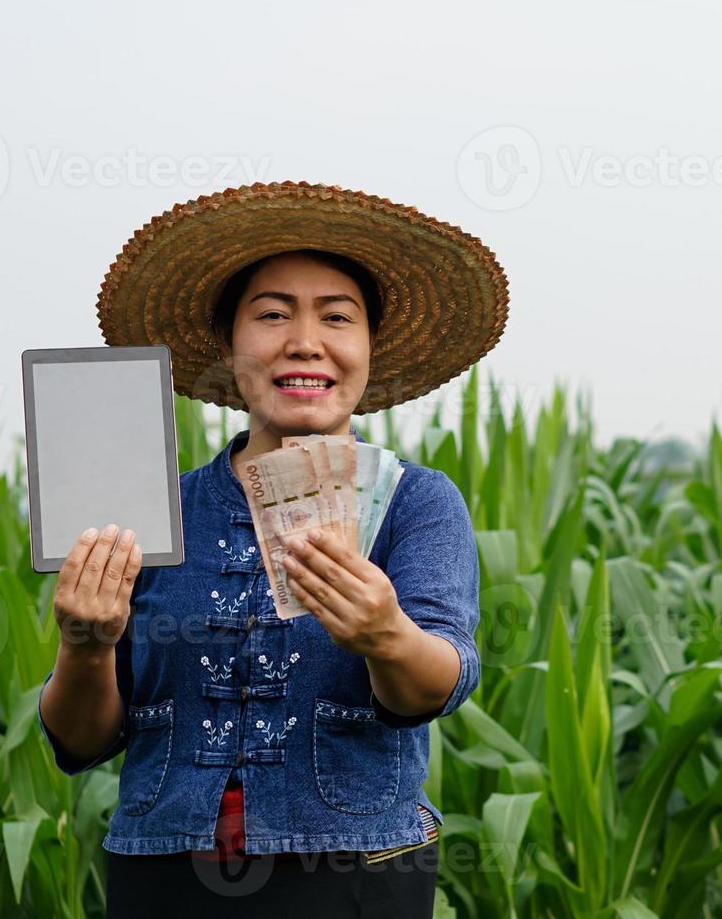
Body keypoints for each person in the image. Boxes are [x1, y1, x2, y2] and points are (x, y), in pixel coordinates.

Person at [35, 181, 510, 916]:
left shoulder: (417, 501)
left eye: (337, 318)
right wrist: (85, 647)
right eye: (273, 314)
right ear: (229, 346)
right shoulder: (149, 512)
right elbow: (81, 741)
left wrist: (386, 637)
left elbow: (437, 684)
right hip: (164, 875)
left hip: (354, 874)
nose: (305, 342)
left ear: (369, 348)